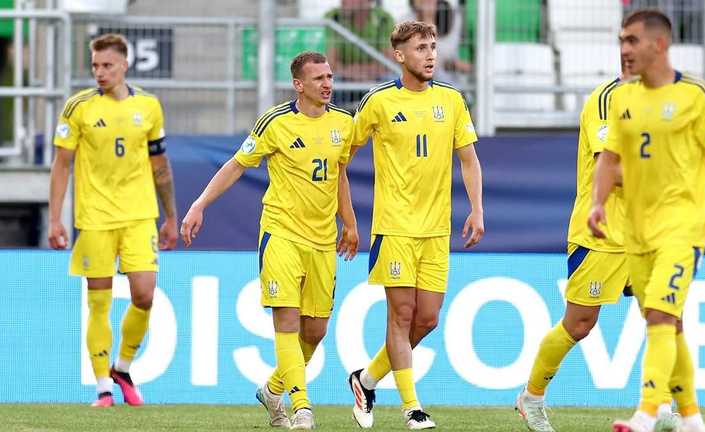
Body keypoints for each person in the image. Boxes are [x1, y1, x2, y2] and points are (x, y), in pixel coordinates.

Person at [588, 9, 705, 432]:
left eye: (632, 41)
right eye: (621, 41)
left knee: (660, 314)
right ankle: (692, 419)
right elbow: (609, 158)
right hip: (636, 231)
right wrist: (597, 203)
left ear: (659, 45)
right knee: (667, 323)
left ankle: (647, 413)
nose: (623, 50)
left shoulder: (697, 95)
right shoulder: (622, 98)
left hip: (683, 227)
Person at [180, 51, 358, 430]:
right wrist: (199, 204)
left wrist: (351, 224)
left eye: (329, 77)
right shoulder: (275, 122)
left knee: (316, 330)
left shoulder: (344, 123)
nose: (328, 84)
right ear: (299, 85)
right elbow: (235, 166)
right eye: (319, 79)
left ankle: (273, 389)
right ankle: (302, 408)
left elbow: (339, 175)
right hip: (281, 234)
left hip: (323, 240)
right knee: (287, 320)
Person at [346, 21, 484, 430]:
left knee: (428, 319)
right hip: (394, 228)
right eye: (420, 48)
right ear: (399, 55)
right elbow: (344, 157)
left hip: (436, 230)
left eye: (433, 46)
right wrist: (349, 219)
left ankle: (366, 379)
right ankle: (412, 408)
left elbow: (469, 159)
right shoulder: (379, 102)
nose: (429, 54)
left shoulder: (452, 100)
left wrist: (477, 209)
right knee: (401, 317)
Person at [48, 33, 178, 408]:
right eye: (95, 66)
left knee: (144, 294)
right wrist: (56, 219)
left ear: (125, 64)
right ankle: (103, 386)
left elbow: (160, 165)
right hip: (95, 218)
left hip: (139, 216)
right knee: (99, 302)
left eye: (107, 65)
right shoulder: (78, 107)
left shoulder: (150, 107)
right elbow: (61, 165)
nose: (100, 73)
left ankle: (123, 367)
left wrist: (171, 217)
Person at [516, 66, 630, 432]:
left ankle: (664, 407)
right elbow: (607, 167)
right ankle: (532, 397)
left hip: (647, 234)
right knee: (579, 324)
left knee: (665, 316)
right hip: (601, 233)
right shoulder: (606, 99)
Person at [325, 0, 395, 82]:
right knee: (330, 81)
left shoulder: (383, 19)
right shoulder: (333, 17)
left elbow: (388, 63)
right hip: (343, 76)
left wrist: (359, 71)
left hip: (375, 76)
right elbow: (330, 63)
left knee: (392, 79)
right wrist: (352, 73)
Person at [403, 0, 471, 81]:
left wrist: (429, 20)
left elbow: (446, 51)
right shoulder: (405, 20)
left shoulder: (451, 16)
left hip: (446, 75)